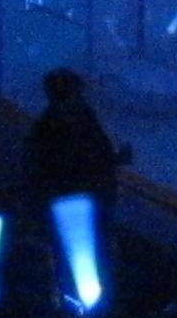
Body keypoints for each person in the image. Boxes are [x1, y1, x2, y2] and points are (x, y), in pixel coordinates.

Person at [23, 68, 127, 213]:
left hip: (87, 200)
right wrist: (114, 160)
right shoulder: (51, 129)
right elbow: (79, 165)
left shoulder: (82, 116)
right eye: (77, 92)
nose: (81, 97)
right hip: (76, 204)